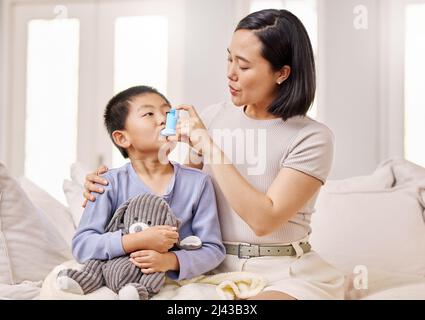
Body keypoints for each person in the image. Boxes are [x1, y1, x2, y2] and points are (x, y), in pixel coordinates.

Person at [83, 9, 345, 300]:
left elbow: (264, 220)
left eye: (243, 66)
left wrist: (208, 146)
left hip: (282, 271)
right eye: (229, 58)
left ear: (281, 73)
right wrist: (109, 189)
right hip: (211, 267)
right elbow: (176, 204)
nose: (230, 73)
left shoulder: (312, 137)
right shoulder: (215, 116)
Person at [73, 85, 225, 283]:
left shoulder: (198, 182)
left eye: (167, 112)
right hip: (120, 278)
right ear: (122, 137)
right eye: (148, 114)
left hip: (173, 283)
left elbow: (213, 250)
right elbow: (82, 245)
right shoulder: (107, 183)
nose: (163, 119)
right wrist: (135, 240)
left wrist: (170, 260)